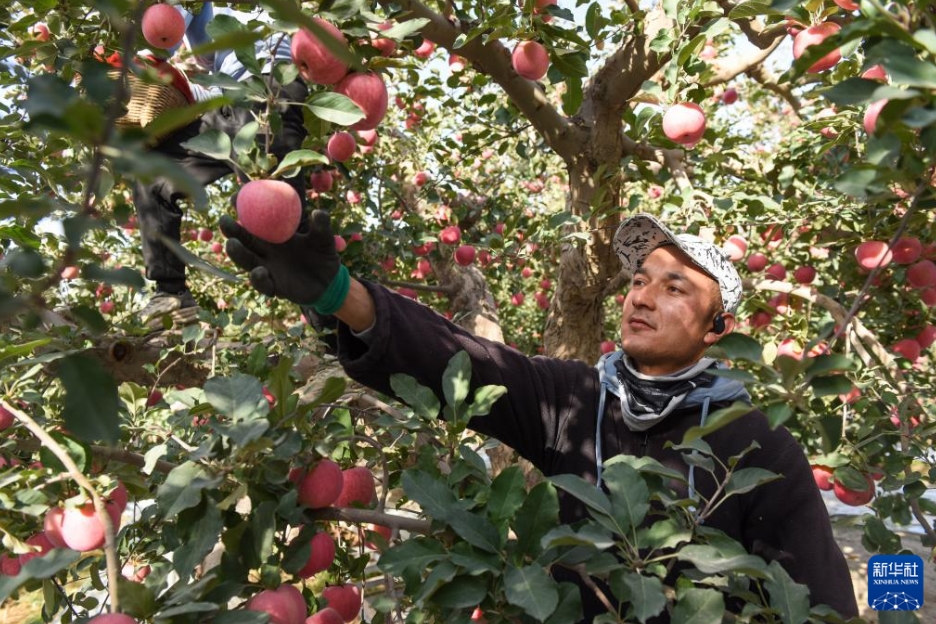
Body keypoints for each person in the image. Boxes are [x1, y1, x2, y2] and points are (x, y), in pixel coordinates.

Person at [219, 210, 859, 621]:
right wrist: (339, 296)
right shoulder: (578, 399)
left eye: (675, 288)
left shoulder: (756, 444)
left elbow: (816, 598)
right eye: (640, 280)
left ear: (719, 329)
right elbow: (461, 362)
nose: (642, 296)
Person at [133, 2, 308, 329]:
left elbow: (160, 40)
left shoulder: (251, 17)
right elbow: (205, 90)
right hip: (235, 102)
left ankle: (334, 333)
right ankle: (171, 293)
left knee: (283, 227)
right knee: (153, 175)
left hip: (271, 87)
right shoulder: (210, 35)